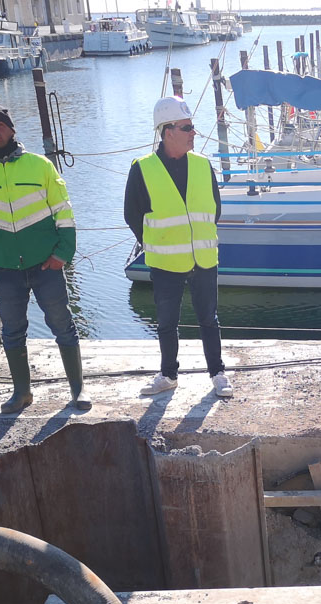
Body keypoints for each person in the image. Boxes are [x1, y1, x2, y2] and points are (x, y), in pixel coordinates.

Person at [0, 103, 88, 414]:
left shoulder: (40, 165)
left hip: (45, 263)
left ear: (11, 129)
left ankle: (77, 391)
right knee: (12, 331)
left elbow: (64, 211)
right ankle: (21, 394)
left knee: (63, 325)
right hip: (5, 266)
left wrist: (63, 253)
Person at [123, 96, 232, 398]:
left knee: (208, 319)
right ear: (168, 131)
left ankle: (218, 373)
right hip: (165, 261)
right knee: (167, 322)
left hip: (204, 257)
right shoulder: (142, 169)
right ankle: (168, 374)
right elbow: (132, 215)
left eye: (192, 127)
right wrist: (157, 243)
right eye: (188, 128)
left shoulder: (202, 165)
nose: (194, 133)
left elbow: (215, 209)